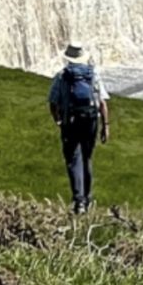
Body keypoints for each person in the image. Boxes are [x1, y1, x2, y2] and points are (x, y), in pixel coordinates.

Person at [47, 43, 110, 213]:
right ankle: (88, 199)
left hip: (70, 122)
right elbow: (102, 102)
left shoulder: (62, 77)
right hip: (91, 121)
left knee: (74, 159)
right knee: (87, 158)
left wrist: (58, 120)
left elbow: (52, 102)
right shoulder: (93, 75)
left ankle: (79, 201)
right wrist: (106, 126)